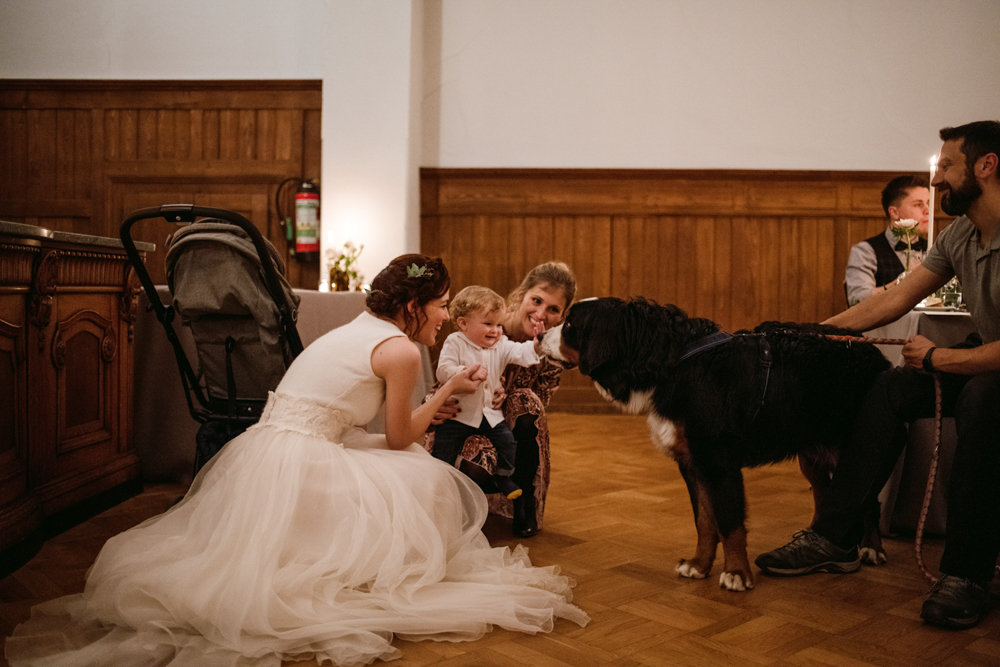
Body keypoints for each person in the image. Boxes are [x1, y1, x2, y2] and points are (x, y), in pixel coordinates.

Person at [6, 254, 588, 667]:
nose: (442, 316)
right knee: (428, 479)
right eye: (438, 306)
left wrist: (421, 409)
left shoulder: (358, 327)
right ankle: (369, 566)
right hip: (307, 459)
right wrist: (447, 391)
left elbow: (356, 415)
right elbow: (401, 439)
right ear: (412, 305)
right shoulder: (404, 349)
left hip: (265, 450)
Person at [755, 121, 1000, 629]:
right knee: (890, 388)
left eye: (947, 166)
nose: (936, 183)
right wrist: (809, 333)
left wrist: (941, 359)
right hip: (983, 359)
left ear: (987, 166)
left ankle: (967, 575)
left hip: (989, 372)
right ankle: (835, 536)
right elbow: (893, 299)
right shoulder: (960, 234)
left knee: (981, 397)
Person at [428, 262, 577, 539]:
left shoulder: (548, 351)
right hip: (469, 415)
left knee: (526, 402)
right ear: (522, 295)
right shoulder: (482, 324)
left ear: (561, 316)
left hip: (516, 428)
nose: (540, 313)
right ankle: (456, 502)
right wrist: (437, 403)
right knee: (472, 460)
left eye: (553, 309)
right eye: (536, 301)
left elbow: (541, 402)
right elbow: (445, 375)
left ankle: (524, 500)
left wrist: (506, 395)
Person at [432, 285, 543, 500]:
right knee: (444, 444)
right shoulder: (455, 342)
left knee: (508, 442)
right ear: (463, 324)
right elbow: (443, 370)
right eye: (488, 324)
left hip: (489, 414)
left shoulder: (501, 344)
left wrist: (536, 345)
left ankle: (503, 475)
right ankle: (440, 478)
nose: (496, 330)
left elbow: (521, 352)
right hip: (458, 414)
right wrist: (466, 372)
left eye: (499, 324)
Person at [845, 174, 931, 305]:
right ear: (894, 212)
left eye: (929, 203)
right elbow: (857, 299)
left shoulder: (934, 249)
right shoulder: (865, 251)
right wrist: (904, 280)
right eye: (918, 204)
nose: (928, 210)